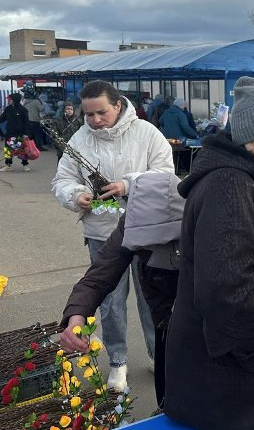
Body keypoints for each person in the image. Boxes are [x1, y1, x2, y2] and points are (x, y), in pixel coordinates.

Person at [164, 76, 254, 430]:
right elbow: (225, 289)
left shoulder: (253, 177)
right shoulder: (229, 185)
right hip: (229, 380)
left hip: (235, 374)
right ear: (250, 139)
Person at [51, 80, 175, 391]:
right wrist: (75, 194)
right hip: (101, 233)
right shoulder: (79, 139)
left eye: (101, 112)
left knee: (151, 298)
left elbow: (166, 175)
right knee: (110, 301)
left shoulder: (146, 133)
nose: (94, 120)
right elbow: (62, 179)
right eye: (88, 114)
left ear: (118, 105)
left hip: (146, 231)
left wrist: (128, 184)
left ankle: (159, 354)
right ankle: (118, 361)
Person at [59, 172, 183, 407]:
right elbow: (98, 276)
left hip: (203, 322)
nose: (150, 249)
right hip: (162, 317)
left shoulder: (203, 222)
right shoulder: (131, 222)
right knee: (168, 394)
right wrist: (76, 316)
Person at [0, 93, 31, 171]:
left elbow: (26, 122)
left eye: (10, 99)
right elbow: (2, 118)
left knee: (22, 150)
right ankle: (8, 165)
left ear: (15, 100)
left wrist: (26, 133)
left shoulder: (23, 109)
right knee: (7, 149)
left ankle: (25, 164)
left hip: (20, 133)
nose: (8, 101)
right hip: (9, 133)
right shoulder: (8, 109)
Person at [21, 84, 48, 152]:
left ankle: (27, 147)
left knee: (29, 134)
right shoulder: (36, 101)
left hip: (27, 120)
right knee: (37, 134)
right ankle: (38, 147)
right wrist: (42, 104)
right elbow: (41, 109)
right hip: (35, 120)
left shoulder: (24, 101)